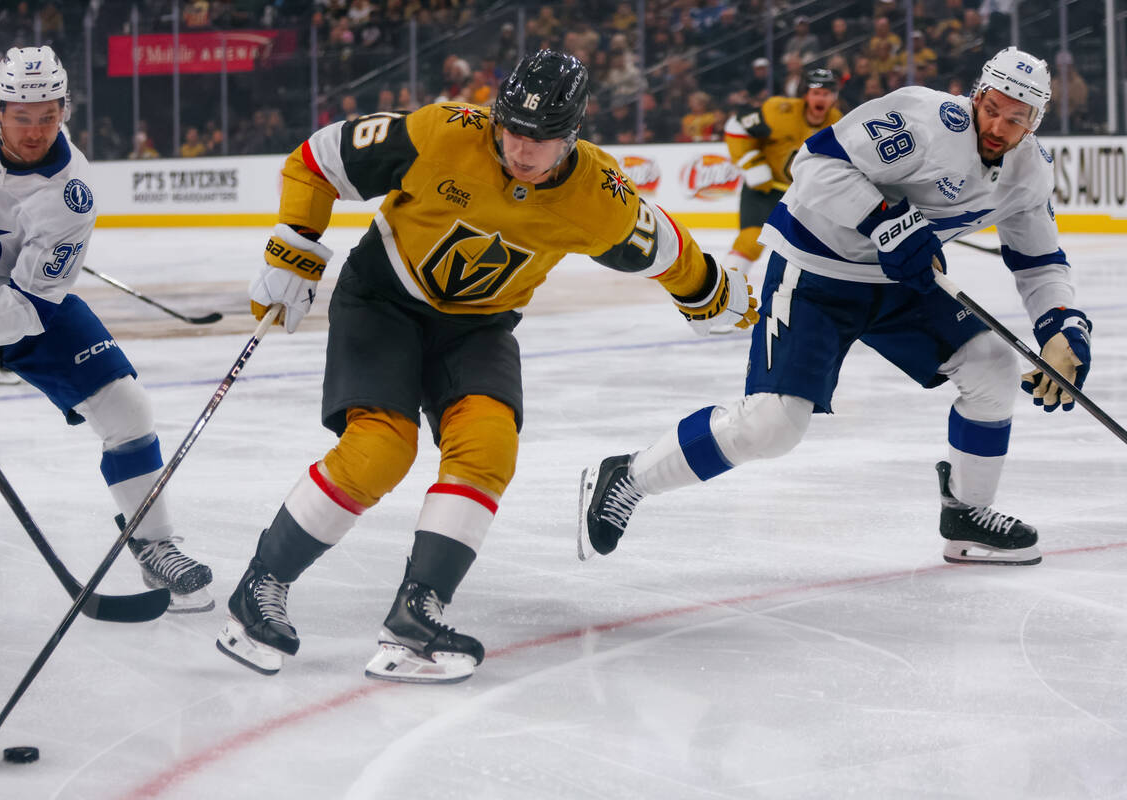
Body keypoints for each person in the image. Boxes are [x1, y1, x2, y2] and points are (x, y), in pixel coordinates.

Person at [215, 49, 759, 682]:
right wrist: (295, 246)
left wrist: (711, 291)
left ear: (573, 135)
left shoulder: (598, 196)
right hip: (383, 302)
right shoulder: (445, 131)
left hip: (477, 327)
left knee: (489, 445)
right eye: (513, 130)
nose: (522, 149)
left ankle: (414, 617)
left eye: (542, 138)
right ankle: (259, 588)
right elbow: (318, 160)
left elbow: (662, 244)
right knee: (380, 450)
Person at [579, 47, 1090, 569]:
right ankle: (629, 475)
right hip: (816, 268)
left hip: (899, 279)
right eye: (994, 107)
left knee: (992, 365)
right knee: (774, 425)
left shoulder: (1031, 171)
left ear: (1035, 123)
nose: (1000, 126)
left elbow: (1039, 259)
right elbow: (815, 165)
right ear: (977, 95)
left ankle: (967, 513)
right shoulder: (927, 119)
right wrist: (885, 220)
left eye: (1017, 118)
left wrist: (1061, 326)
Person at [0, 46, 214, 613]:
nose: (34, 130)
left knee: (126, 409)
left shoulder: (70, 193)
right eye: (21, 116)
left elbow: (32, 305)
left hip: (13, 303)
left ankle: (155, 544)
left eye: (48, 116)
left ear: (64, 110)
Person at [723, 67, 841, 278]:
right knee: (750, 241)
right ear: (806, 95)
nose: (820, 98)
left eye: (826, 93)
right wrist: (752, 164)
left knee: (816, 253)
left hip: (802, 197)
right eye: (816, 93)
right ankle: (725, 285)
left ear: (834, 97)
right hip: (765, 190)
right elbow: (736, 125)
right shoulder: (779, 111)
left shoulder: (839, 123)